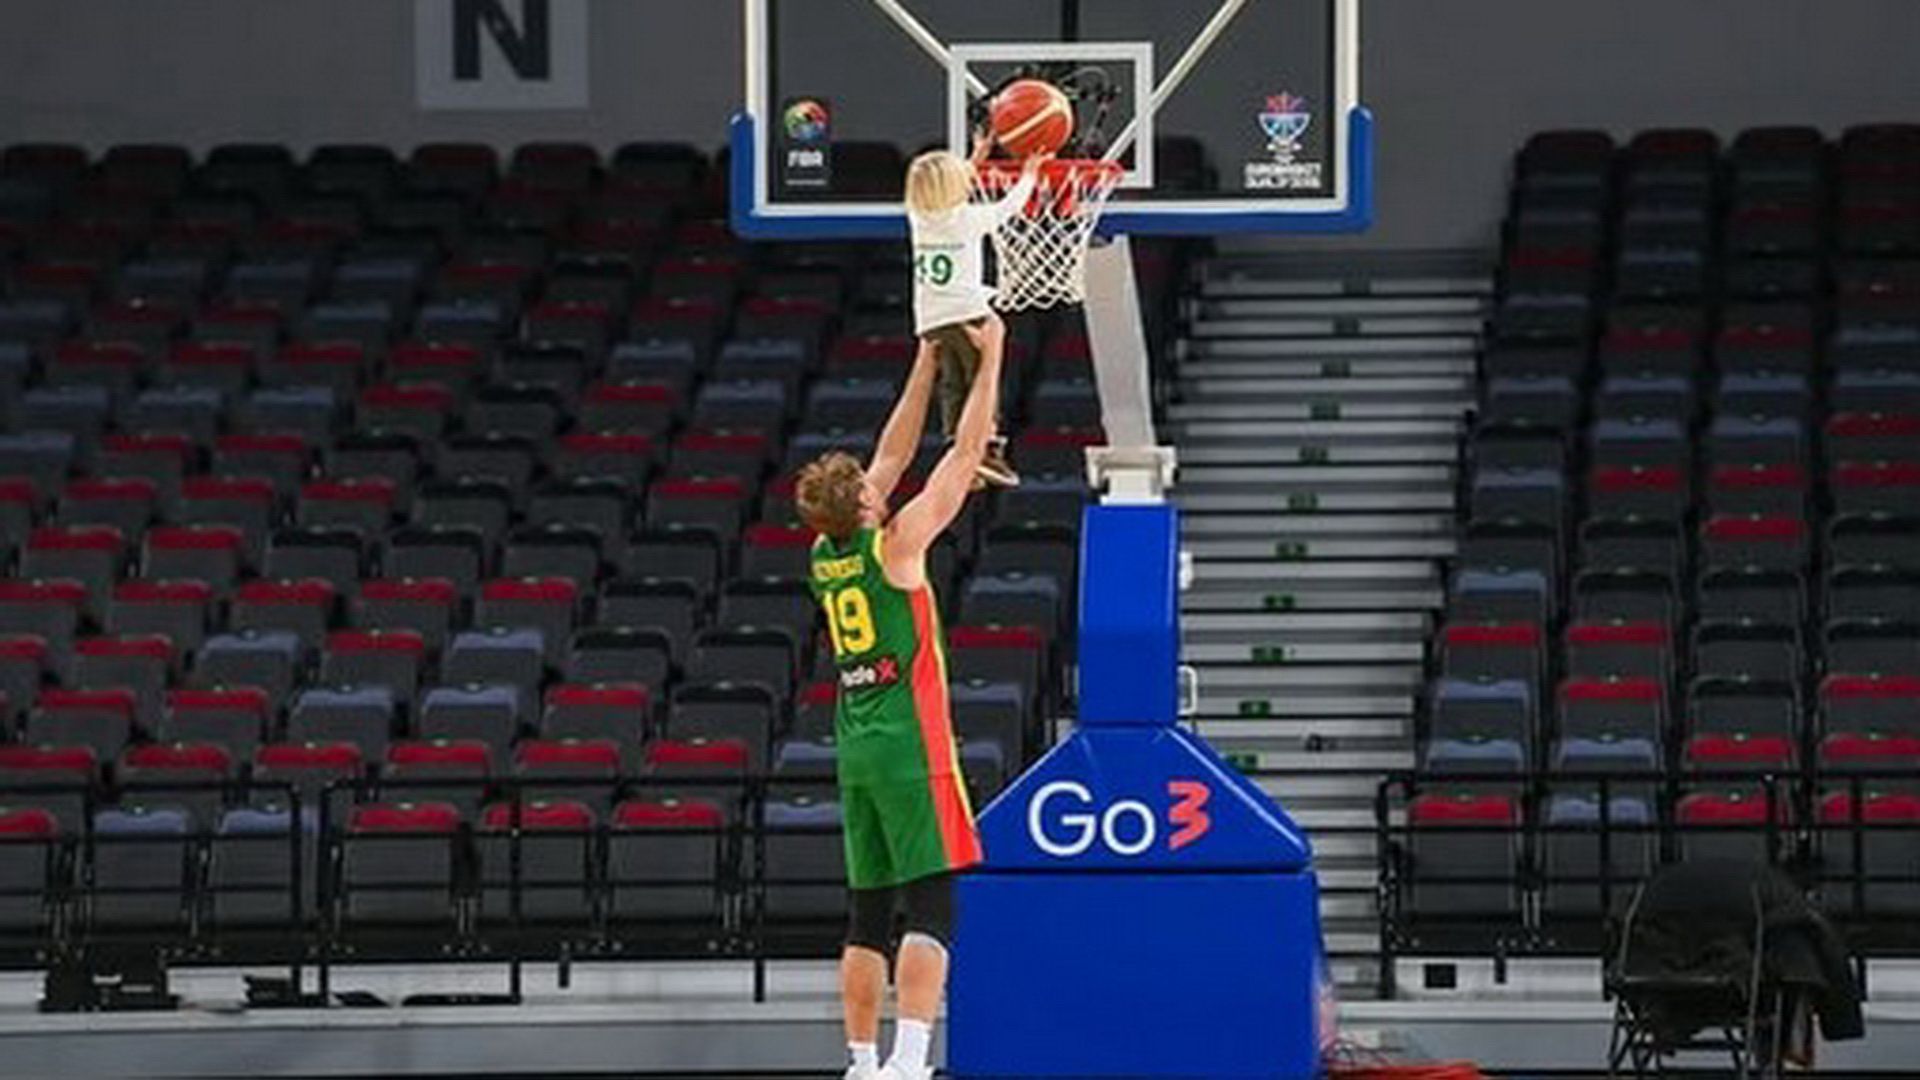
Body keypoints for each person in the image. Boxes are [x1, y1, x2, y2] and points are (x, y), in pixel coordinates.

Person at [796, 312, 1008, 1080]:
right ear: (863, 507)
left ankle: (861, 1062)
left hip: (856, 747)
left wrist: (924, 360)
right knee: (932, 906)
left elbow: (892, 454)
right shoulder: (899, 545)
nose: (876, 480)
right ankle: (910, 1061)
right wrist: (992, 358)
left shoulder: (826, 553)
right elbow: (962, 457)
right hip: (913, 747)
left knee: (867, 914)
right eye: (866, 486)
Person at [902, 140, 1046, 489]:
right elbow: (1009, 208)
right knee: (982, 383)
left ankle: (958, 447)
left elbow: (946, 182)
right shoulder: (966, 219)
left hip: (930, 319)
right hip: (966, 313)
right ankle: (986, 447)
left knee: (953, 384)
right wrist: (1029, 174)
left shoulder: (917, 217)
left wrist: (977, 157)